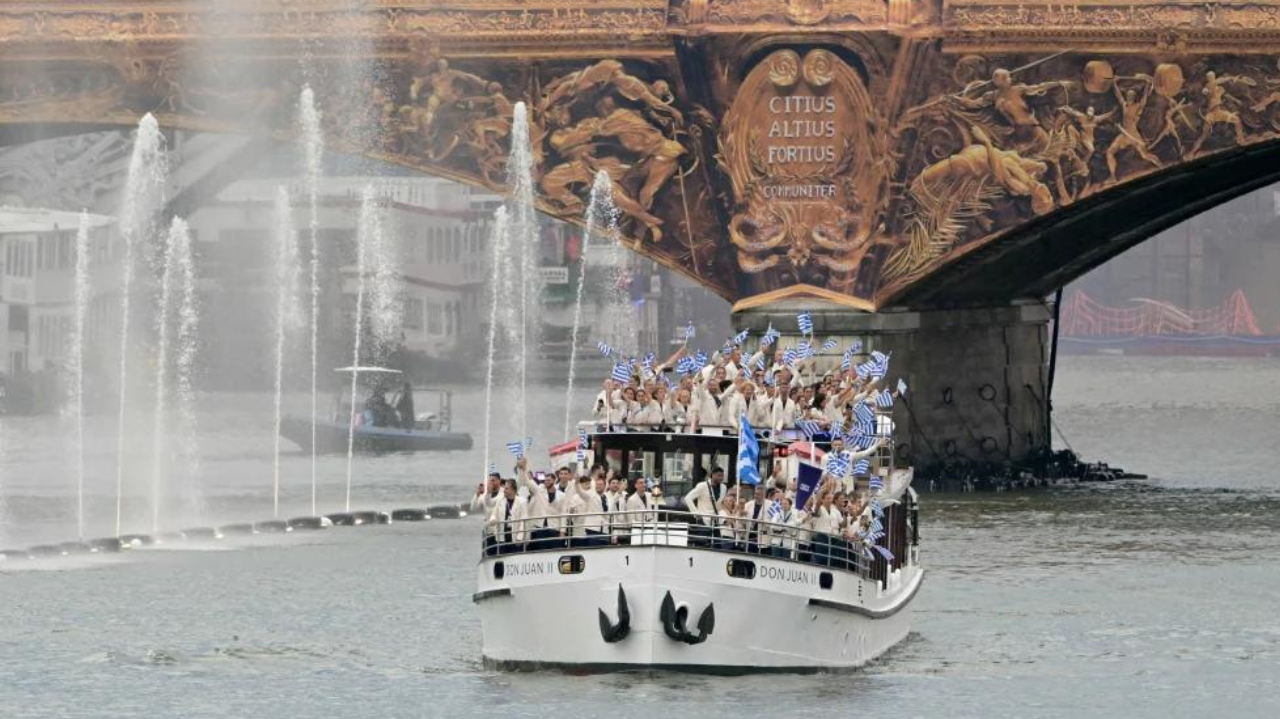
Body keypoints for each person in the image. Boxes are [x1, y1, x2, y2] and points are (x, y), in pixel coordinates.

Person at [517, 458, 567, 551]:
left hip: (554, 528)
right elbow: (527, 481)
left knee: (554, 552)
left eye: (549, 480)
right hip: (540, 528)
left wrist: (562, 531)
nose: (546, 482)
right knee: (540, 552)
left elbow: (563, 514)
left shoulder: (562, 496)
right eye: (545, 480)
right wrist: (522, 469)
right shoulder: (539, 491)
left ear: (554, 480)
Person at [486, 479, 527, 555]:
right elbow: (494, 512)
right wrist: (493, 519)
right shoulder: (500, 500)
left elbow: (523, 520)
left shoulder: (522, 502)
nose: (504, 490)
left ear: (513, 490)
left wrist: (520, 536)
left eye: (506, 489)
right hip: (502, 538)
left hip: (515, 539)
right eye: (504, 488)